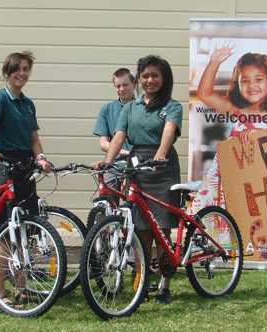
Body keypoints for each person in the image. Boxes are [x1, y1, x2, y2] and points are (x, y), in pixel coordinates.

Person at [92, 55, 183, 305]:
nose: (150, 80)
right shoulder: (131, 107)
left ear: (163, 78)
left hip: (162, 168)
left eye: (154, 75)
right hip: (137, 165)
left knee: (161, 229)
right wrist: (108, 162)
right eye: (145, 76)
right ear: (139, 79)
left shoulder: (172, 105)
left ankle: (165, 285)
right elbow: (119, 136)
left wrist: (160, 154)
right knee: (142, 232)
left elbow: (169, 130)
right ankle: (143, 283)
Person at [0, 51, 51, 307]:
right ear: (7, 72)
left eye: (26, 69)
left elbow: (33, 138)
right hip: (3, 165)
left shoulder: (28, 103)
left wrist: (41, 158)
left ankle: (21, 289)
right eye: (17, 69)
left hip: (24, 168)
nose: (22, 73)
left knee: (22, 231)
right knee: (3, 232)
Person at [189, 41, 267, 214]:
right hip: (231, 179)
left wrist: (261, 134)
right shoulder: (236, 110)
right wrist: (214, 63)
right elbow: (204, 94)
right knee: (225, 220)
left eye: (258, 79)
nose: (252, 86)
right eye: (245, 81)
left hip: (261, 182)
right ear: (238, 83)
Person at [92, 68, 136, 200]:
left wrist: (132, 158)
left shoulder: (143, 108)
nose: (121, 89)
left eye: (125, 84)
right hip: (115, 165)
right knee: (105, 203)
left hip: (137, 165)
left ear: (134, 84)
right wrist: (127, 153)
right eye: (118, 86)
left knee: (135, 206)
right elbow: (104, 144)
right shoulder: (107, 109)